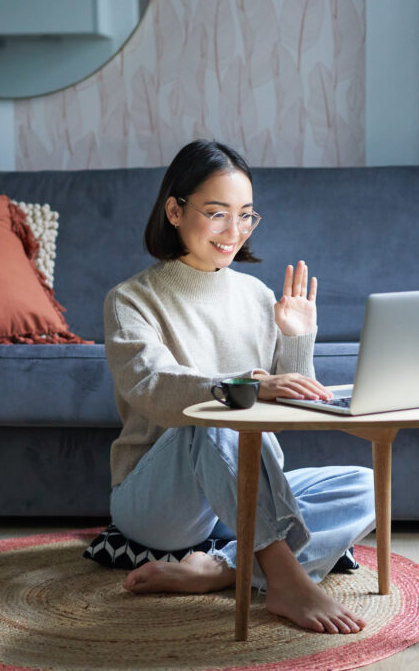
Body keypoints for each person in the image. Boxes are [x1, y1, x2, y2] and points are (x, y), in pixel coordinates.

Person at [103, 139, 376, 635]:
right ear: (174, 210)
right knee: (220, 414)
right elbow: (151, 387)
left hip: (240, 491)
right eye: (217, 213)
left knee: (367, 486)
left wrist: (296, 340)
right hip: (160, 504)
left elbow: (289, 399)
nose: (235, 232)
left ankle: (221, 568)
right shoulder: (131, 300)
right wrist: (242, 385)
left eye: (246, 215)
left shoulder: (256, 295)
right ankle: (285, 578)